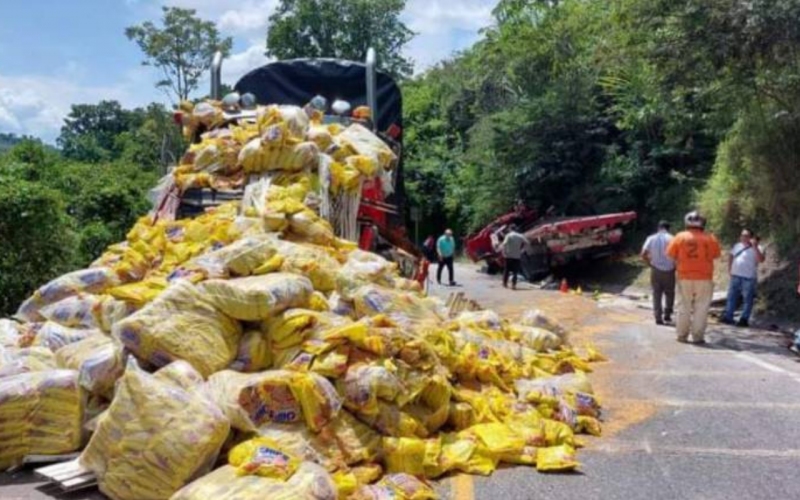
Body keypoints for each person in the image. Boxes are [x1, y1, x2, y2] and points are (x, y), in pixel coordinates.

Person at [666, 211, 721, 344]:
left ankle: (681, 335)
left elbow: (670, 254)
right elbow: (715, 255)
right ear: (702, 223)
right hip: (704, 277)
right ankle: (697, 337)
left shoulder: (680, 237)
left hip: (684, 276)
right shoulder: (710, 238)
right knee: (701, 307)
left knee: (683, 305)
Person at [722, 229, 765, 327]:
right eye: (742, 235)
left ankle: (744, 319)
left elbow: (761, 259)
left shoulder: (758, 247)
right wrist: (730, 269)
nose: (743, 237)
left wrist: (755, 247)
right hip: (735, 275)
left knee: (747, 299)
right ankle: (728, 317)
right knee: (731, 297)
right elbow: (731, 256)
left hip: (748, 277)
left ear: (751, 237)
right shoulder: (737, 246)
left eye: (746, 236)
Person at [641, 220, 676, 325]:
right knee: (670, 293)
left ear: (658, 228)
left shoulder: (651, 238)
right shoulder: (673, 239)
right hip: (670, 270)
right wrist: (676, 266)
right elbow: (678, 255)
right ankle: (667, 314)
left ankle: (658, 317)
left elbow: (643, 253)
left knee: (657, 293)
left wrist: (649, 263)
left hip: (655, 269)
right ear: (668, 228)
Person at [501, 225, 529, 290]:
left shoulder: (508, 235)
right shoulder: (520, 236)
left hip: (508, 255)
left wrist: (504, 253)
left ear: (510, 229)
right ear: (515, 229)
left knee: (506, 270)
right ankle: (513, 285)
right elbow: (527, 243)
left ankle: (505, 284)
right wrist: (522, 250)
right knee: (515, 272)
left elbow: (504, 244)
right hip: (517, 256)